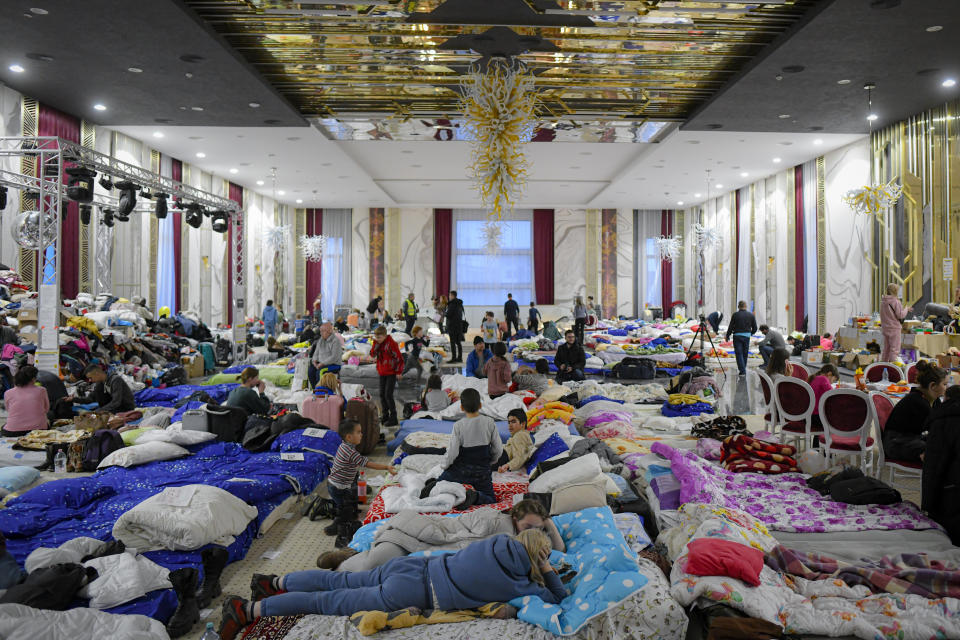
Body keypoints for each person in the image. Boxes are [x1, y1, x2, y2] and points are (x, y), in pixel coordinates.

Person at [219, 529, 566, 639]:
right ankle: (247, 610)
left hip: (409, 567)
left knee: (341, 579)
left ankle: (272, 580)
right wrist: (546, 567)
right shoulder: (519, 585)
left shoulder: (497, 540)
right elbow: (558, 598)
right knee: (326, 602)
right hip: (414, 593)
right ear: (537, 557)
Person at [325, 499, 565, 572]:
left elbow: (560, 550)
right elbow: (457, 539)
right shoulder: (496, 521)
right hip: (425, 536)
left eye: (537, 528)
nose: (532, 533)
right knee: (374, 564)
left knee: (383, 568)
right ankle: (344, 561)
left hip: (432, 547)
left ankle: (352, 555)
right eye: (527, 527)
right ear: (514, 518)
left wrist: (550, 524)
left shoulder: (532, 535)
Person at [324, 419, 396, 547]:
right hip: (338, 487)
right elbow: (369, 464)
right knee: (346, 511)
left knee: (346, 506)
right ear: (349, 437)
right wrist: (386, 467)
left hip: (335, 484)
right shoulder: (351, 453)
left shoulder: (343, 445)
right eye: (358, 432)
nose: (361, 434)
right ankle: (339, 533)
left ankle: (336, 523)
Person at [437, 388, 502, 504]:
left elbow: (452, 452)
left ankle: (433, 487)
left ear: (461, 408)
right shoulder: (490, 422)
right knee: (490, 498)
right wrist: (491, 462)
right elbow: (498, 449)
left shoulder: (458, 425)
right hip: (482, 471)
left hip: (461, 470)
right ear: (480, 405)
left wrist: (444, 466)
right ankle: (476, 497)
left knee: (438, 484)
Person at [883, 359, 946, 464]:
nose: (946, 388)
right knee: (938, 448)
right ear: (932, 386)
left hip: (912, 438)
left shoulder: (934, 401)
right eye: (944, 384)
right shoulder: (917, 401)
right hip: (896, 443)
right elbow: (937, 428)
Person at [921, 385, 960, 544]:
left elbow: (934, 468)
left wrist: (927, 506)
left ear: (946, 399)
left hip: (952, 493)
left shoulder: (943, 421)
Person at [68, 364, 135, 414]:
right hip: (115, 407)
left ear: (97, 374)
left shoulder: (115, 380)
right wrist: (73, 399)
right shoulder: (100, 383)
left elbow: (116, 402)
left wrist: (98, 411)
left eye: (90, 378)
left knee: (94, 416)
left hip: (125, 408)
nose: (90, 380)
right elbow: (90, 399)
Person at [371, 325, 403, 427]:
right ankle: (385, 416)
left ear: (385, 336)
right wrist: (375, 344)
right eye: (376, 337)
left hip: (391, 372)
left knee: (388, 395)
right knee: (381, 395)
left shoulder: (391, 344)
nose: (378, 339)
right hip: (382, 371)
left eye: (379, 337)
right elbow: (372, 354)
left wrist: (398, 371)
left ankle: (393, 418)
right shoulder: (377, 343)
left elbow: (399, 358)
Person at [1, 365, 49, 436]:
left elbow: (9, 410)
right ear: (33, 379)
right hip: (39, 430)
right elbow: (46, 409)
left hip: (13, 431)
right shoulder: (41, 390)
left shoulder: (8, 393)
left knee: (3, 427)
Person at [724, 300, 757, 377]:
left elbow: (731, 326)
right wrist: (750, 333)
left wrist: (727, 335)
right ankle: (743, 369)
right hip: (746, 337)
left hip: (737, 336)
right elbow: (755, 328)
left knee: (739, 353)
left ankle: (742, 371)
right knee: (745, 353)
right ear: (746, 306)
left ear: (738, 307)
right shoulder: (751, 315)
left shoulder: (735, 315)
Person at [880, 283, 911, 362]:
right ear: (895, 291)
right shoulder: (896, 302)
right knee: (894, 350)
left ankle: (883, 367)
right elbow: (900, 315)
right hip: (894, 328)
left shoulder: (883, 302)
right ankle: (893, 368)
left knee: (886, 350)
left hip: (885, 328)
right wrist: (906, 309)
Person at [309, 322, 343, 389]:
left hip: (334, 365)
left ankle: (322, 391)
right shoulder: (321, 340)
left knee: (320, 372)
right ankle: (315, 389)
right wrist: (314, 362)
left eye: (323, 331)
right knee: (311, 371)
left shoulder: (335, 341)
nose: (321, 333)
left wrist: (322, 363)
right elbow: (316, 353)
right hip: (321, 364)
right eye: (320, 331)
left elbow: (334, 357)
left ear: (329, 331)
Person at [809, 363, 839, 431]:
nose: (831, 383)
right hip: (816, 417)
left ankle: (817, 441)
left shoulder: (815, 378)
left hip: (809, 416)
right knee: (842, 419)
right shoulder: (823, 379)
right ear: (830, 374)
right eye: (834, 380)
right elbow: (833, 395)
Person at [445, 291, 465, 363]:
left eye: (449, 295)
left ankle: (453, 358)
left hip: (452, 326)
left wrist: (444, 312)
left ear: (452, 296)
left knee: (453, 343)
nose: (449, 297)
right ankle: (460, 358)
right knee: (458, 342)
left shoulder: (452, 304)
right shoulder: (460, 303)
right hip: (459, 326)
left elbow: (448, 314)